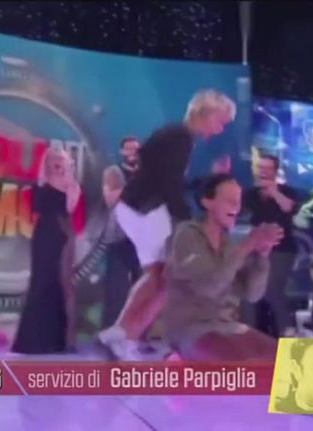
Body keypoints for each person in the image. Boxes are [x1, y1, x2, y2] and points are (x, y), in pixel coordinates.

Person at [98, 89, 236, 360]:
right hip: (145, 209)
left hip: (138, 207)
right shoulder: (180, 137)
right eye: (220, 121)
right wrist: (187, 224)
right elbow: (168, 184)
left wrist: (208, 179)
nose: (220, 129)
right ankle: (124, 335)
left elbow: (168, 178)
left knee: (158, 277)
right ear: (205, 113)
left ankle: (120, 334)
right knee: (166, 279)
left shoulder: (177, 136)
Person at [162, 174, 283, 361]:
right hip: (191, 328)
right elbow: (208, 289)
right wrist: (248, 245)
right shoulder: (187, 235)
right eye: (229, 200)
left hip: (227, 325)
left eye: (238, 201)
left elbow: (253, 295)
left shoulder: (230, 245)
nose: (237, 206)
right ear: (207, 202)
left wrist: (262, 255)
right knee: (245, 366)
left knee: (289, 362)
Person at [13, 146, 83, 354]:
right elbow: (36, 208)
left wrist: (69, 178)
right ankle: (34, 341)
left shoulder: (71, 185)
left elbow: (70, 208)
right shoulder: (40, 185)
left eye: (61, 159)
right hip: (43, 236)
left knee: (60, 283)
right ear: (47, 162)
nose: (57, 163)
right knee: (40, 282)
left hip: (63, 235)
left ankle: (58, 340)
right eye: (53, 159)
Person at [243, 154, 301, 338]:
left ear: (276, 171)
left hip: (281, 249)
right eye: (261, 167)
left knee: (273, 290)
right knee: (249, 291)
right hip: (255, 248)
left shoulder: (287, 192)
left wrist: (274, 192)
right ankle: (249, 334)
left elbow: (289, 208)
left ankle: (287, 331)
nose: (263, 172)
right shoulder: (250, 195)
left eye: (268, 168)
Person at [101, 137, 142, 330]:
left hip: (142, 240)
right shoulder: (113, 172)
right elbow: (110, 199)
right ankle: (110, 331)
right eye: (128, 149)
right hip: (119, 236)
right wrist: (136, 183)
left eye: (136, 149)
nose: (132, 152)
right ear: (122, 152)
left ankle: (138, 334)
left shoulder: (146, 174)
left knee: (142, 288)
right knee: (116, 289)